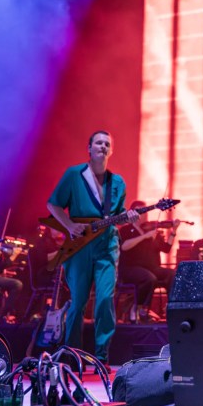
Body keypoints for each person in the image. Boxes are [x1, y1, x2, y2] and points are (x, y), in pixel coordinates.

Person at [46, 130, 139, 363]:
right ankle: (72, 354)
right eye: (98, 142)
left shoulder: (117, 182)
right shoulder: (74, 174)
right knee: (78, 301)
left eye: (107, 143)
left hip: (107, 244)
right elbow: (53, 205)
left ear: (112, 150)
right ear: (89, 148)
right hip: (79, 245)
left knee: (106, 299)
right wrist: (68, 226)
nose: (103, 146)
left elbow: (117, 215)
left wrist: (128, 217)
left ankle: (101, 356)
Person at [118, 201, 178, 321]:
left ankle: (171, 307)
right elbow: (124, 246)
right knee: (149, 278)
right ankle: (139, 308)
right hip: (130, 268)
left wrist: (173, 231)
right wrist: (144, 237)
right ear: (132, 213)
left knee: (172, 274)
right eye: (141, 212)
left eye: (145, 212)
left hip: (152, 268)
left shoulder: (151, 230)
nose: (144, 215)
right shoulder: (125, 230)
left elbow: (166, 248)